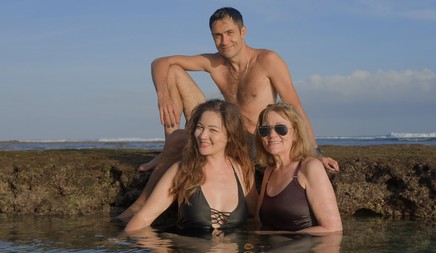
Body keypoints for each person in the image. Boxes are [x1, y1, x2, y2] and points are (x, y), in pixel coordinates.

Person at [119, 6, 338, 220]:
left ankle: (140, 205)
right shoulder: (215, 62)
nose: (225, 41)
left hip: (254, 143)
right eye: (218, 35)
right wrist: (163, 96)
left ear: (243, 32)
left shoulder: (267, 60)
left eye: (230, 33)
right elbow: (160, 62)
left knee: (179, 139)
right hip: (229, 131)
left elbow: (295, 108)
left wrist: (315, 153)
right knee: (173, 71)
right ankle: (169, 150)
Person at [124, 99, 258, 234]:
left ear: (230, 135)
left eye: (213, 130)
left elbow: (256, 216)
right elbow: (143, 219)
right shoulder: (181, 171)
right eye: (200, 127)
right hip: (188, 250)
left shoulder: (243, 170)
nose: (203, 135)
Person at [255, 103, 342, 235]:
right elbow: (258, 221)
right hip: (272, 251)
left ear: (295, 133)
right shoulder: (270, 170)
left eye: (280, 128)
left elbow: (333, 229)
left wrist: (277, 235)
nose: (272, 135)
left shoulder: (310, 167)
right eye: (265, 129)